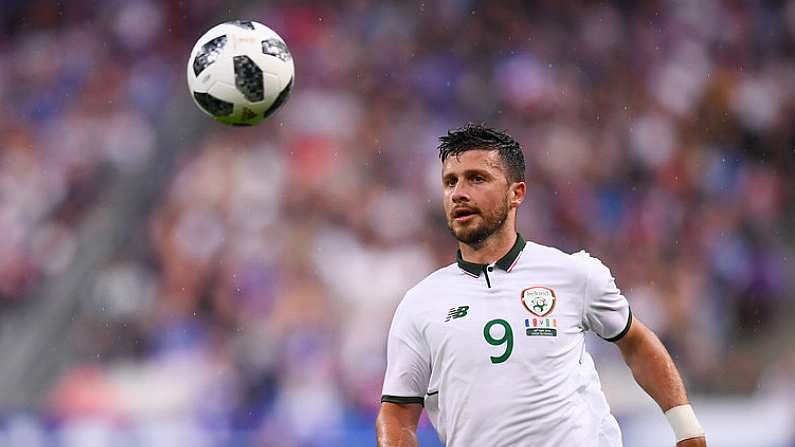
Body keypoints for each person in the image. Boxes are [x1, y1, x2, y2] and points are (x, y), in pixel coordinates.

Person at [375, 124, 707, 447]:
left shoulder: (573, 273)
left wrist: (687, 429)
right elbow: (398, 414)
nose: (459, 193)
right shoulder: (420, 304)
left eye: (477, 178)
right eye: (450, 182)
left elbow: (635, 342)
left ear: (516, 193)